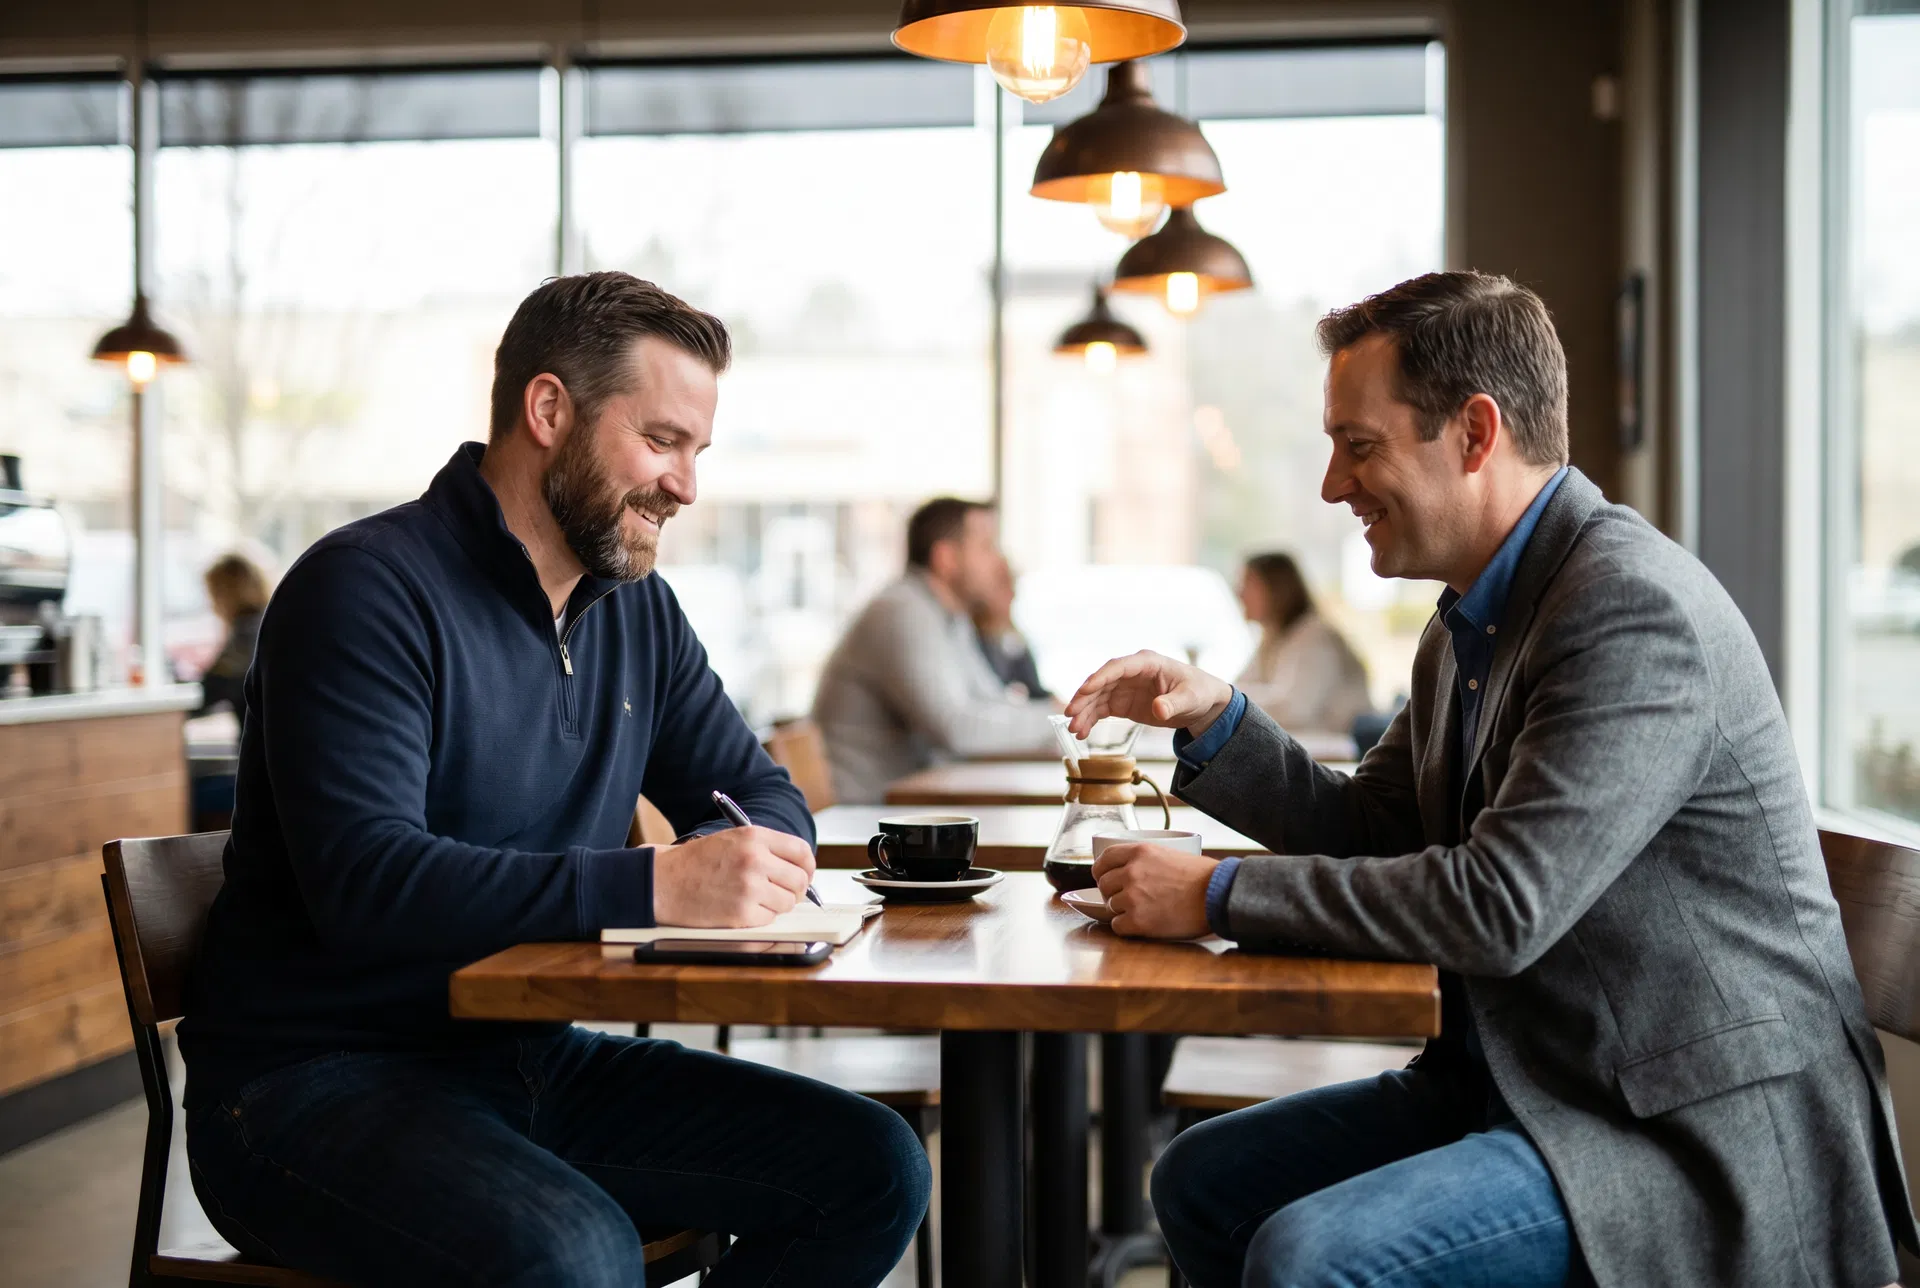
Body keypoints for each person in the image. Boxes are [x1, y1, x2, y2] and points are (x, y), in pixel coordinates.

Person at [1066, 271, 1914, 1288]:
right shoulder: (1471, 620)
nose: (1333, 486)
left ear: (1475, 433)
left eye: (1359, 445)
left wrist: (1217, 893)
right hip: (1538, 1083)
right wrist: (1219, 718)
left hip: (1686, 1134)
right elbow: (1376, 829)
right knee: (1204, 1179)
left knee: (1308, 1257)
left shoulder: (1628, 610)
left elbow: (1501, 905)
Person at [179, 272, 930, 1288]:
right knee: (574, 1253)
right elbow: (367, 883)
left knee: (874, 1165)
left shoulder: (636, 611)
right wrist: (655, 885)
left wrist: (744, 858)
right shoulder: (364, 589)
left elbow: (762, 794)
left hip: (526, 1055)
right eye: (662, 441)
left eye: (698, 453)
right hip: (306, 1084)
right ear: (548, 410)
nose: (686, 487)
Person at [811, 497, 1057, 802]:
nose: (998, 562)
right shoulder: (902, 611)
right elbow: (958, 730)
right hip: (866, 813)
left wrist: (1056, 717)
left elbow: (988, 701)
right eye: (986, 547)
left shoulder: (949, 617)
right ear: (946, 558)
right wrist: (1060, 720)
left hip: (911, 802)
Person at [1232, 551, 1369, 737]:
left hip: (1341, 746)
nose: (1239, 593)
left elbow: (1293, 710)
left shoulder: (1314, 636)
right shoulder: (1274, 637)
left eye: (1248, 584)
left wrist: (1228, 698)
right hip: (1311, 742)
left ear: (1277, 590)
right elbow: (1239, 688)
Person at [192, 552, 271, 725]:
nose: (212, 605)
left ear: (227, 594)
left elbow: (209, 691)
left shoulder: (247, 634)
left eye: (213, 594)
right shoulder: (267, 622)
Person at [973, 556, 1050, 700]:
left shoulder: (1012, 637)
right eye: (1003, 585)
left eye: (1012, 585)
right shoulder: (971, 639)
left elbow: (1034, 689)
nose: (1012, 594)